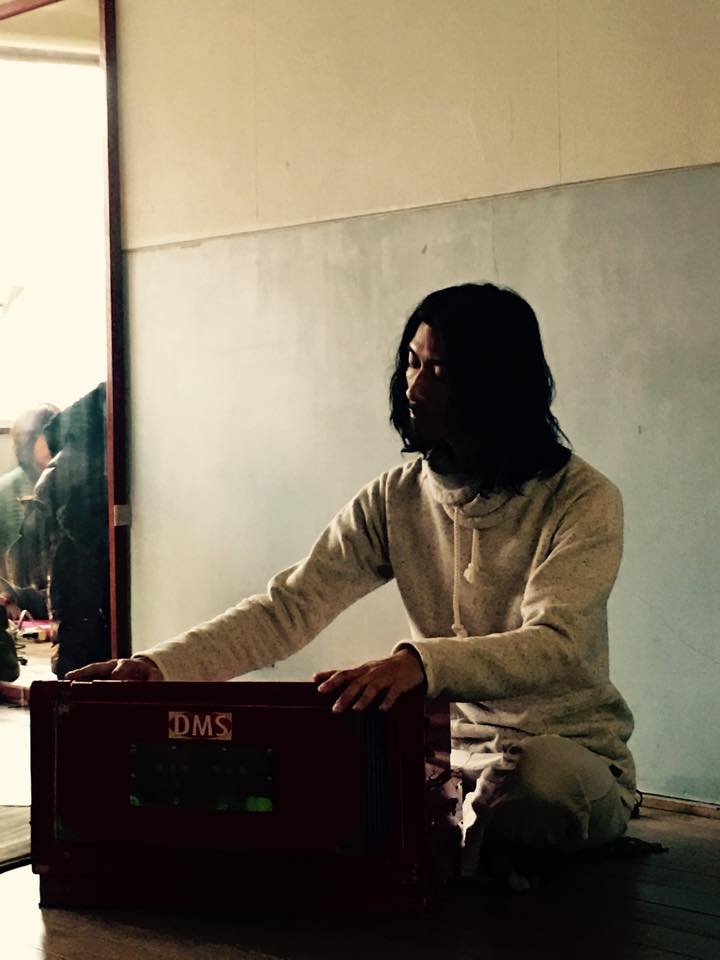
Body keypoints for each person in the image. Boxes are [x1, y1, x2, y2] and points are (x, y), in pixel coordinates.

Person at [68, 283, 638, 889]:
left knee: (538, 785)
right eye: (412, 362)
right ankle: (469, 834)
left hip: (567, 755)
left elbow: (555, 643)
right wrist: (158, 668)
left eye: (440, 371)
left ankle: (486, 834)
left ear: (497, 385)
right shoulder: (395, 497)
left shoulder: (583, 498)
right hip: (448, 757)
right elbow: (289, 607)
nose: (414, 388)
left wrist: (419, 663)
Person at [0, 403, 58, 582]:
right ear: (28, 441)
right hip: (16, 590)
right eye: (48, 434)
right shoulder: (6, 490)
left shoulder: (73, 482)